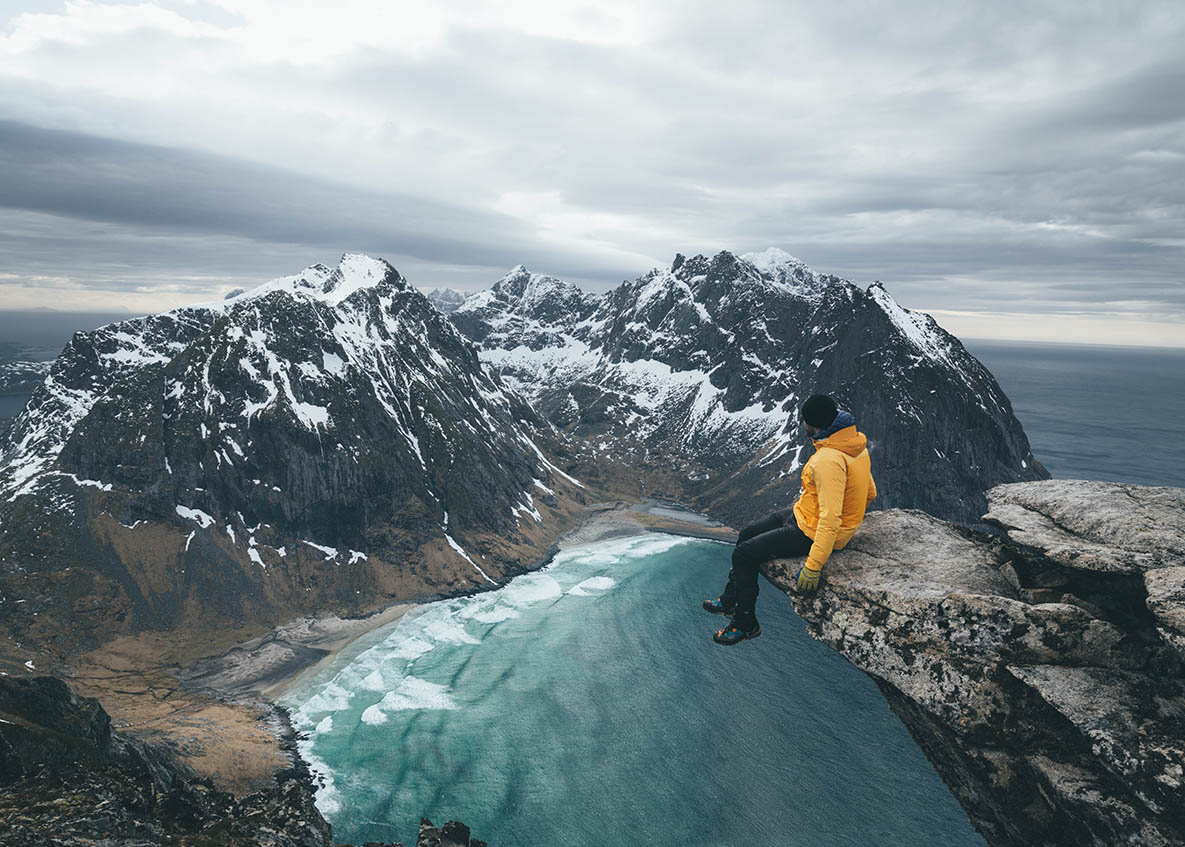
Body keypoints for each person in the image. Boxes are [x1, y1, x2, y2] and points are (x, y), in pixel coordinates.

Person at [704, 394, 877, 645]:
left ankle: (745, 623)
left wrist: (814, 565)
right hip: (804, 515)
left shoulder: (828, 460)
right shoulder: (853, 444)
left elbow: (830, 518)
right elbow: (870, 492)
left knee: (744, 555)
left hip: (812, 531)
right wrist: (851, 521)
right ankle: (729, 600)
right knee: (747, 534)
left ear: (811, 425)